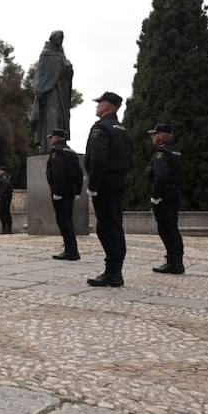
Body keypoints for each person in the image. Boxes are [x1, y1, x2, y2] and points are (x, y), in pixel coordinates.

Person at [83, 91, 131, 286]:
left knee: (105, 225)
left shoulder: (101, 128)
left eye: (99, 103)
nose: (97, 106)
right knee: (115, 224)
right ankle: (116, 270)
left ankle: (112, 272)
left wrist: (93, 185)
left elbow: (98, 159)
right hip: (118, 180)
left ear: (107, 106)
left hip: (105, 182)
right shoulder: (122, 129)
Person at [147, 123, 184, 273]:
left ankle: (173, 263)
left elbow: (161, 176)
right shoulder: (176, 151)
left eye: (154, 134)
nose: (153, 137)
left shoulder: (161, 152)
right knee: (172, 228)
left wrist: (155, 196)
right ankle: (176, 261)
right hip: (174, 193)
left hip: (164, 195)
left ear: (161, 135)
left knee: (166, 229)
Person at [44, 129, 82, 260]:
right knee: (68, 220)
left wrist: (57, 192)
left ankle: (71, 251)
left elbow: (58, 172)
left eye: (52, 137)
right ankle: (71, 249)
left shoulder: (56, 151)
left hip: (61, 191)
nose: (50, 140)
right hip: (71, 190)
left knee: (63, 221)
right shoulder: (71, 151)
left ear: (56, 138)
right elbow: (79, 172)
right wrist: (78, 191)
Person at [0, 167, 14, 234]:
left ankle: (6, 228)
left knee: (4, 213)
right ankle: (6, 228)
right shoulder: (1, 178)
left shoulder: (4, 178)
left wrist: (0, 197)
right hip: (3, 198)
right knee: (3, 213)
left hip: (4, 199)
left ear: (3, 171)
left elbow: (4, 189)